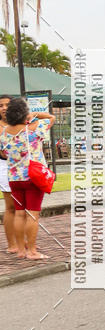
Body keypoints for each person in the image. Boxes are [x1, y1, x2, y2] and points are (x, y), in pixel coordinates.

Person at [0, 97, 55, 260]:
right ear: (25, 112)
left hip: (14, 178)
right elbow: (52, 117)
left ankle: (20, 250)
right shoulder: (34, 128)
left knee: (19, 213)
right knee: (32, 214)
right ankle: (32, 251)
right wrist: (35, 114)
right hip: (32, 177)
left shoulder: (3, 133)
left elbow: (3, 153)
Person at [0, 94, 17, 253]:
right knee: (11, 206)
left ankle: (24, 241)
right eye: (1, 105)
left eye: (7, 105)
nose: (4, 108)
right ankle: (12, 244)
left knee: (22, 206)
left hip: (21, 166)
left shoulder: (20, 123)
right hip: (5, 166)